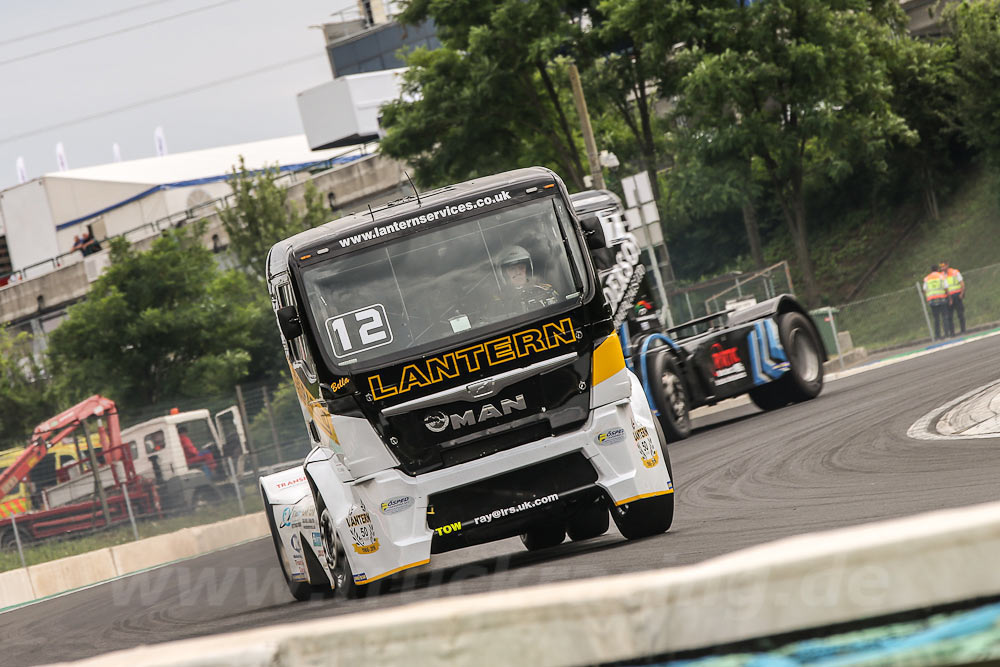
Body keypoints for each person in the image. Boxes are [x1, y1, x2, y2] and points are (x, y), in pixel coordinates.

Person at [494, 245, 560, 315]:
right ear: (504, 274)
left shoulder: (545, 290)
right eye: (512, 269)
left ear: (528, 269)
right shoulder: (499, 300)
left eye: (521, 267)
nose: (518, 272)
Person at [923, 263, 951, 339]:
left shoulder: (927, 278)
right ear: (937, 269)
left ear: (931, 270)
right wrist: (949, 297)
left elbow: (925, 290)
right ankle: (946, 334)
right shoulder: (941, 276)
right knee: (944, 317)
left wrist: (927, 298)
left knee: (936, 319)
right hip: (941, 298)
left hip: (932, 300)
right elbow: (946, 288)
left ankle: (937, 336)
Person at [940, 261, 966, 335]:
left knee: (960, 314)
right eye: (941, 267)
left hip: (957, 295)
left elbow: (962, 283)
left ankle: (963, 330)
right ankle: (952, 332)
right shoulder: (941, 275)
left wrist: (962, 293)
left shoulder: (955, 272)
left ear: (947, 265)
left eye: (943, 266)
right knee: (949, 316)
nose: (942, 268)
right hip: (948, 297)